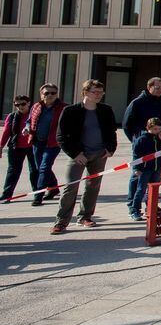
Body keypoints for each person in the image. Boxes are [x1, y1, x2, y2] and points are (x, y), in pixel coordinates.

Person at [52, 79, 117, 234]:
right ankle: (61, 221)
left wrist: (110, 149)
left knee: (93, 186)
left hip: (99, 154)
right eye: (95, 92)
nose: (98, 95)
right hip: (78, 154)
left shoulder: (106, 110)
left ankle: (85, 216)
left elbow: (111, 131)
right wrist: (75, 154)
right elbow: (61, 136)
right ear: (85, 92)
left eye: (101, 92)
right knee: (70, 187)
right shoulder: (71, 111)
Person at [26, 83, 66, 205]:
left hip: (53, 143)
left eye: (53, 93)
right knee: (41, 167)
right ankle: (54, 189)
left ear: (57, 94)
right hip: (37, 141)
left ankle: (38, 196)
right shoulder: (36, 106)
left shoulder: (63, 108)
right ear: (41, 94)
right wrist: (27, 128)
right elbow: (29, 121)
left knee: (44, 167)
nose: (50, 95)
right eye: (46, 93)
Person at [128, 117, 161, 221]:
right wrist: (136, 168)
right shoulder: (142, 139)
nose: (157, 131)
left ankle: (151, 207)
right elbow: (136, 155)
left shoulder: (159, 138)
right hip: (145, 169)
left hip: (156, 168)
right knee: (140, 190)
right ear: (148, 128)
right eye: (155, 129)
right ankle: (134, 210)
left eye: (159, 129)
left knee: (154, 189)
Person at [1, 95, 36, 203]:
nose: (20, 106)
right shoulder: (12, 116)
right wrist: (1, 146)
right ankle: (7, 194)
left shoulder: (34, 116)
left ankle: (38, 193)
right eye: (17, 105)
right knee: (13, 171)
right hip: (16, 147)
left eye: (23, 104)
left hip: (32, 146)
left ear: (29, 103)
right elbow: (6, 132)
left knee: (35, 170)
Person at [122, 77, 161, 144]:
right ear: (149, 87)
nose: (160, 90)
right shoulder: (137, 103)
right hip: (143, 142)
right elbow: (126, 125)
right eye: (157, 88)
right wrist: (136, 140)